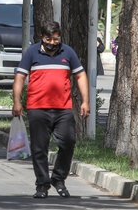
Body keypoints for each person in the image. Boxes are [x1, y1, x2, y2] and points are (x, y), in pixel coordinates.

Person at [12, 21, 90, 199]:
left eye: (56, 39)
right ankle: (42, 185)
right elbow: (19, 77)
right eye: (49, 39)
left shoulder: (68, 52)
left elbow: (80, 75)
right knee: (39, 148)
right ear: (42, 37)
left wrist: (85, 101)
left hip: (63, 109)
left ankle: (58, 179)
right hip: (37, 108)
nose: (53, 42)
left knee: (68, 142)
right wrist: (17, 102)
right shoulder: (32, 53)